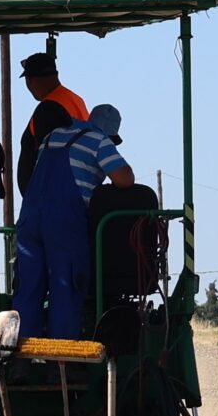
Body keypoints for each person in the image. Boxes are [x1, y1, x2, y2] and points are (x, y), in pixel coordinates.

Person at [11, 103, 135, 338]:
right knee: (65, 287)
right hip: (63, 221)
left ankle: (21, 363)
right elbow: (124, 179)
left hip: (29, 219)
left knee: (28, 288)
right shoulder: (99, 141)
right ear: (110, 133)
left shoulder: (53, 136)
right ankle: (62, 365)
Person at [14, 50, 89, 196]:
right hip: (78, 188)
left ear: (29, 80)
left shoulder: (48, 108)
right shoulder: (75, 99)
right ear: (56, 74)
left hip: (53, 198)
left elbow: (48, 159)